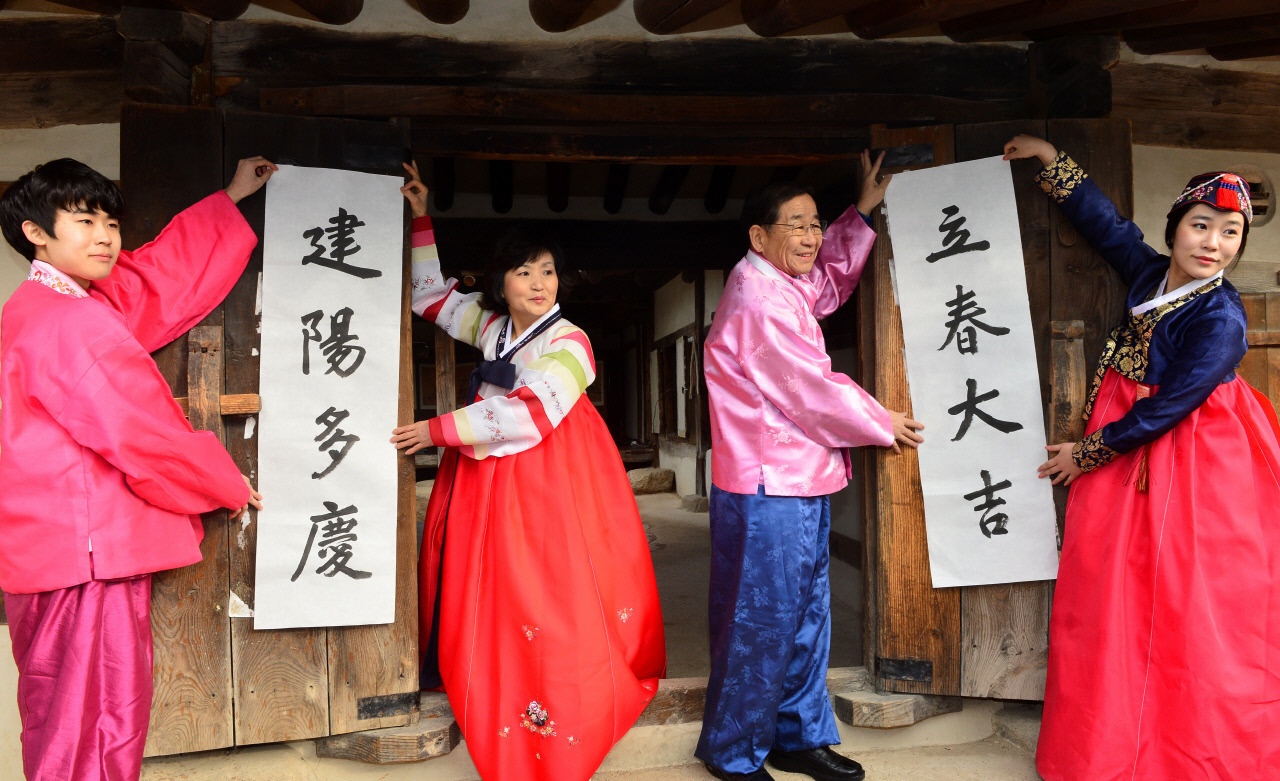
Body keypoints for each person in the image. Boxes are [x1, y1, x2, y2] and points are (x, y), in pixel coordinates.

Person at [1003, 134, 1280, 779]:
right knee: (1110, 589)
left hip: (1191, 455)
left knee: (1183, 593)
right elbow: (1108, 228)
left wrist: (1087, 453)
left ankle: (1182, 749)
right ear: (1176, 227)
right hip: (1132, 436)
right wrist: (1051, 160)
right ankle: (1111, 744)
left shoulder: (1222, 318)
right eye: (1201, 225)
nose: (1213, 244)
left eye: (1230, 233)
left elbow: (1170, 407)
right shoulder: (1153, 274)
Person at [0, 156, 273, 780]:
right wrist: (221, 480)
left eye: (110, 222)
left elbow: (150, 280)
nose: (104, 236)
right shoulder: (71, 321)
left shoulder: (45, 303)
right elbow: (140, 433)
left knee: (62, 715)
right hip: (87, 552)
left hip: (58, 547)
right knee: (96, 720)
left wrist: (230, 198)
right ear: (35, 232)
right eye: (84, 220)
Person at [391, 161, 666, 781]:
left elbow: (532, 412)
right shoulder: (492, 328)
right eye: (524, 271)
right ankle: (490, 668)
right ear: (501, 283)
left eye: (548, 271)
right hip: (490, 474)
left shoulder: (571, 341)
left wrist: (435, 430)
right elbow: (428, 297)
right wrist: (421, 218)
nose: (540, 283)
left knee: (548, 583)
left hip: (549, 479)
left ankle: (559, 696)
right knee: (489, 580)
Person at [699, 150, 925, 781]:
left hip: (794, 481)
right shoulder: (757, 298)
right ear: (758, 236)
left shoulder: (779, 281)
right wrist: (879, 420)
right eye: (795, 225)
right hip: (767, 484)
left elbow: (825, 285)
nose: (810, 236)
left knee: (804, 617)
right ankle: (733, 752)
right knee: (762, 620)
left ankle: (796, 736)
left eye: (816, 224)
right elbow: (809, 387)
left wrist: (862, 212)